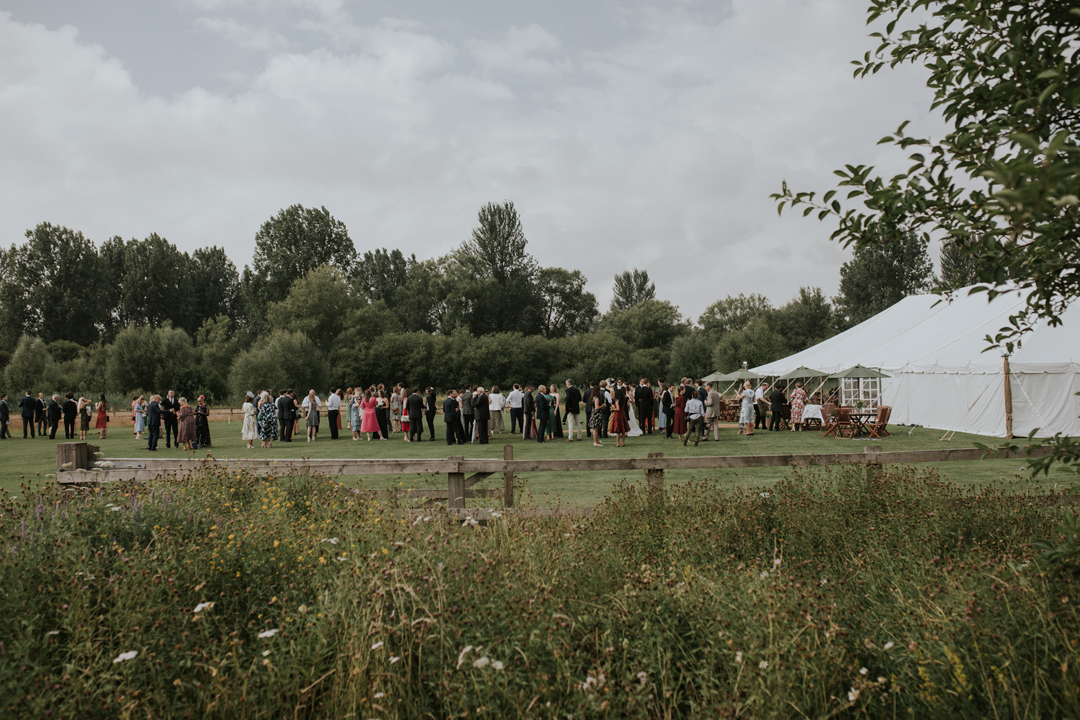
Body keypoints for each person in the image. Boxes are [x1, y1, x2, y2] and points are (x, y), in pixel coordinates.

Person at [588, 382, 605, 446]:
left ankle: (596, 441)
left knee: (596, 428)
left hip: (593, 413)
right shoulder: (597, 398)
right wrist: (602, 406)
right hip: (596, 414)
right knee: (596, 429)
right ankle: (595, 442)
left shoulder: (593, 397)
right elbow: (597, 407)